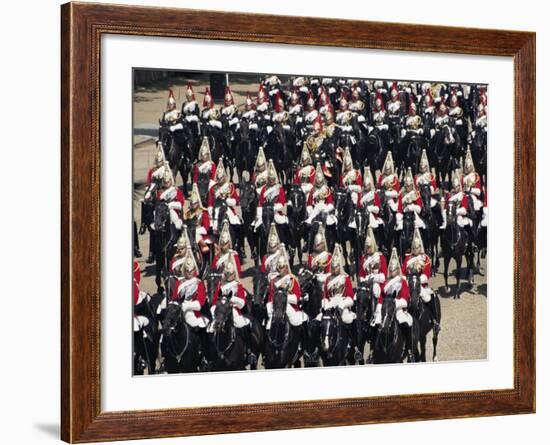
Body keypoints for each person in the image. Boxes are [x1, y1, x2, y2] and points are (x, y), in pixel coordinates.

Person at [208, 256, 256, 365]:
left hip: (234, 310)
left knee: (243, 324)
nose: (229, 276)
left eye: (231, 274)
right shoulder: (220, 285)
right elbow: (215, 300)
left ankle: (249, 351)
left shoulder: (237, 285)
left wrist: (232, 300)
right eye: (227, 274)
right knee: (210, 329)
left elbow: (242, 302)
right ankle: (208, 354)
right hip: (221, 309)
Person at [372, 248, 415, 361]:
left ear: (398, 269)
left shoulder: (402, 281)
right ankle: (373, 350)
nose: (392, 272)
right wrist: (379, 307)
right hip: (385, 308)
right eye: (390, 270)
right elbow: (381, 296)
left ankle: (409, 350)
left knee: (407, 323)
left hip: (397, 307)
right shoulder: (385, 282)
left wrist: (396, 303)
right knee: (375, 324)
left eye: (394, 270)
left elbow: (405, 297)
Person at [317, 244, 358, 354]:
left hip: (342, 305)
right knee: (318, 322)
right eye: (333, 267)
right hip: (330, 306)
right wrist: (325, 304)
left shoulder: (346, 278)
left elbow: (350, 296)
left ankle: (354, 347)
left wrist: (343, 304)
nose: (334, 269)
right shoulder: (328, 279)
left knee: (349, 320)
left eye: (336, 267)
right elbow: (325, 295)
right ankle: (316, 349)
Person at [402, 229, 440, 332]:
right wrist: (407, 280)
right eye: (413, 248)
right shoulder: (407, 259)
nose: (415, 249)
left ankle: (434, 320)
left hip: (421, 285)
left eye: (416, 247)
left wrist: (417, 280)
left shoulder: (425, 258)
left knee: (429, 298)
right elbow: (403, 272)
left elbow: (426, 274)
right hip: (409, 284)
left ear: (420, 247)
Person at [265, 246, 308, 333]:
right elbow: (270, 297)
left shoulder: (292, 279)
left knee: (296, 322)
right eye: (279, 267)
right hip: (276, 307)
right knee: (268, 326)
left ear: (286, 267)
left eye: (282, 267)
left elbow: (297, 297)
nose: (280, 269)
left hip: (290, 307)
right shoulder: (273, 281)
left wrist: (284, 299)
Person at [207, 158, 242, 254]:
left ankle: (239, 246)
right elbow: (210, 202)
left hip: (228, 209)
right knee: (210, 228)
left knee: (237, 225)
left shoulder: (230, 186)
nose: (219, 179)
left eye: (221, 177)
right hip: (216, 210)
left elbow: (236, 200)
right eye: (218, 177)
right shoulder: (213, 188)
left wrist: (227, 200)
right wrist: (210, 213)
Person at [254, 160, 290, 247]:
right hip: (265, 212)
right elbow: (261, 202)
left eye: (272, 179)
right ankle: (255, 247)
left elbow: (282, 202)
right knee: (255, 227)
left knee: (285, 224)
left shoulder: (279, 188)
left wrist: (273, 208)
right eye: (270, 179)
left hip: (275, 211)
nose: (271, 181)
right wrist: (259, 214)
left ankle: (286, 243)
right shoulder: (264, 188)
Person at [358, 228, 387, 304]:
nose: (367, 248)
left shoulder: (380, 257)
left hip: (378, 284)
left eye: (369, 246)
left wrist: (373, 278)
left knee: (376, 290)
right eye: (366, 246)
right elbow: (361, 274)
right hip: (366, 284)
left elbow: (384, 275)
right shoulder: (363, 258)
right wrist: (364, 281)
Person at [183, 183, 211, 257]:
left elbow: (206, 228)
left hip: (200, 234)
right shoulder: (188, 213)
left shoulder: (203, 212)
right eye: (191, 204)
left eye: (194, 204)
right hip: (188, 233)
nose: (192, 206)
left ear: (198, 203)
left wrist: (195, 230)